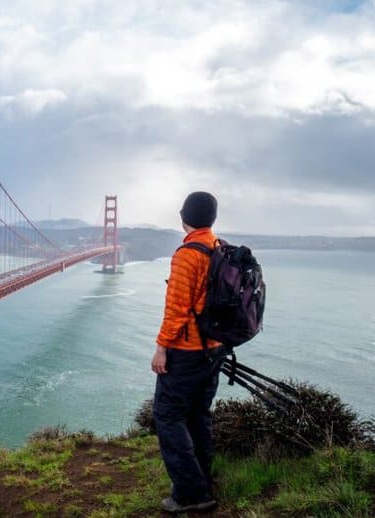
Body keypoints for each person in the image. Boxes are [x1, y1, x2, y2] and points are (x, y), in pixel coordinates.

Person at [151, 191, 225, 513]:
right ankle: (201, 481)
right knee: (198, 415)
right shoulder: (218, 247)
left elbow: (177, 310)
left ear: (184, 217)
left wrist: (161, 350)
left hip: (186, 352)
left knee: (167, 416)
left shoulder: (187, 254)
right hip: (214, 350)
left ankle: (191, 494)